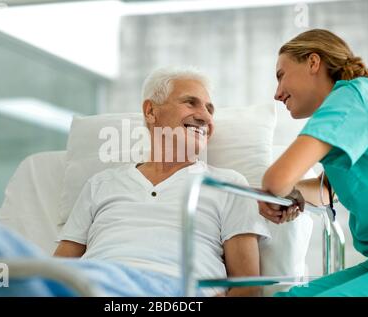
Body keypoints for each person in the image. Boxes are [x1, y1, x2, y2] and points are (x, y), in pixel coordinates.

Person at [54, 67, 270, 296]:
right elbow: (57, 270)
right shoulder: (101, 184)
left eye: (209, 109)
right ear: (150, 111)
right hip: (98, 285)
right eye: (190, 103)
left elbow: (247, 287)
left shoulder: (227, 184)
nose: (205, 117)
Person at [259, 29, 368, 297]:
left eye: (281, 76)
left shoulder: (351, 98)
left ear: (313, 62)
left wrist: (277, 189)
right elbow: (327, 190)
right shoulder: (357, 104)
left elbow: (276, 181)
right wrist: (294, 192)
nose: (277, 94)